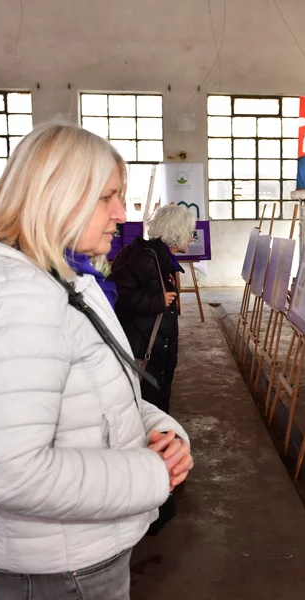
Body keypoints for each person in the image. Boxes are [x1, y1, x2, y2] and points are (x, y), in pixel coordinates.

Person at [0, 122, 194, 600]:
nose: (121, 213)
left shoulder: (59, 281)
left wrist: (161, 431)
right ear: (58, 196)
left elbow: (102, 394)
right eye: (107, 197)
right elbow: (15, 473)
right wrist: (152, 474)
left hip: (80, 551)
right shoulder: (15, 301)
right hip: (63, 567)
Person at [107, 205, 195, 536]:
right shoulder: (146, 258)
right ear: (176, 232)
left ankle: (158, 490)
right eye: (188, 231)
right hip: (145, 354)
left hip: (154, 352)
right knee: (148, 421)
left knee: (155, 415)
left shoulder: (156, 256)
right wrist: (158, 300)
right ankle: (154, 498)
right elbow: (118, 294)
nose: (191, 237)